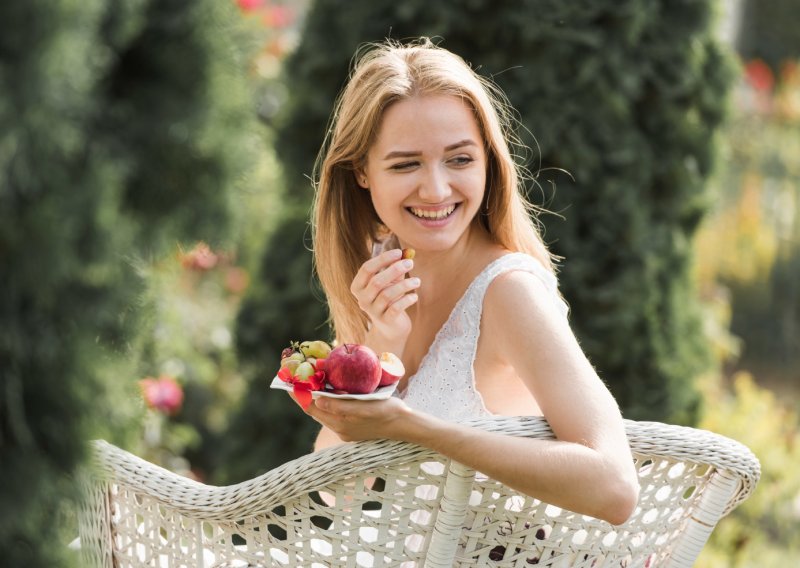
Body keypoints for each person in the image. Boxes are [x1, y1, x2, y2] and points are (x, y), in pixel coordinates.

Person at [296, 37, 639, 526]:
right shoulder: (385, 283)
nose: (436, 189)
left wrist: (417, 428)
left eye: (459, 159)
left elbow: (615, 487)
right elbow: (336, 496)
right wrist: (380, 350)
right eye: (406, 163)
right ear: (361, 173)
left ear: (488, 163)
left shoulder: (508, 291)